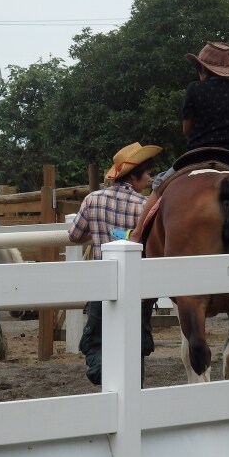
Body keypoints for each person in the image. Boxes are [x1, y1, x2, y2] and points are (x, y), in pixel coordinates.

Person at [130, 42, 229, 243]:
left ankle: (138, 234)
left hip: (198, 155)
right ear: (227, 70)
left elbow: (187, 129)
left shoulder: (194, 89)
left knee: (159, 184)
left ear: (202, 68)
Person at [68, 141, 162, 386]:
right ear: (134, 176)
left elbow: (74, 236)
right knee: (136, 346)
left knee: (95, 340)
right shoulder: (145, 207)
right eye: (148, 173)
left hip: (103, 286)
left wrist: (100, 232)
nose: (150, 178)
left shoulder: (93, 200)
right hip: (136, 289)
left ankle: (102, 369)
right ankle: (132, 389)